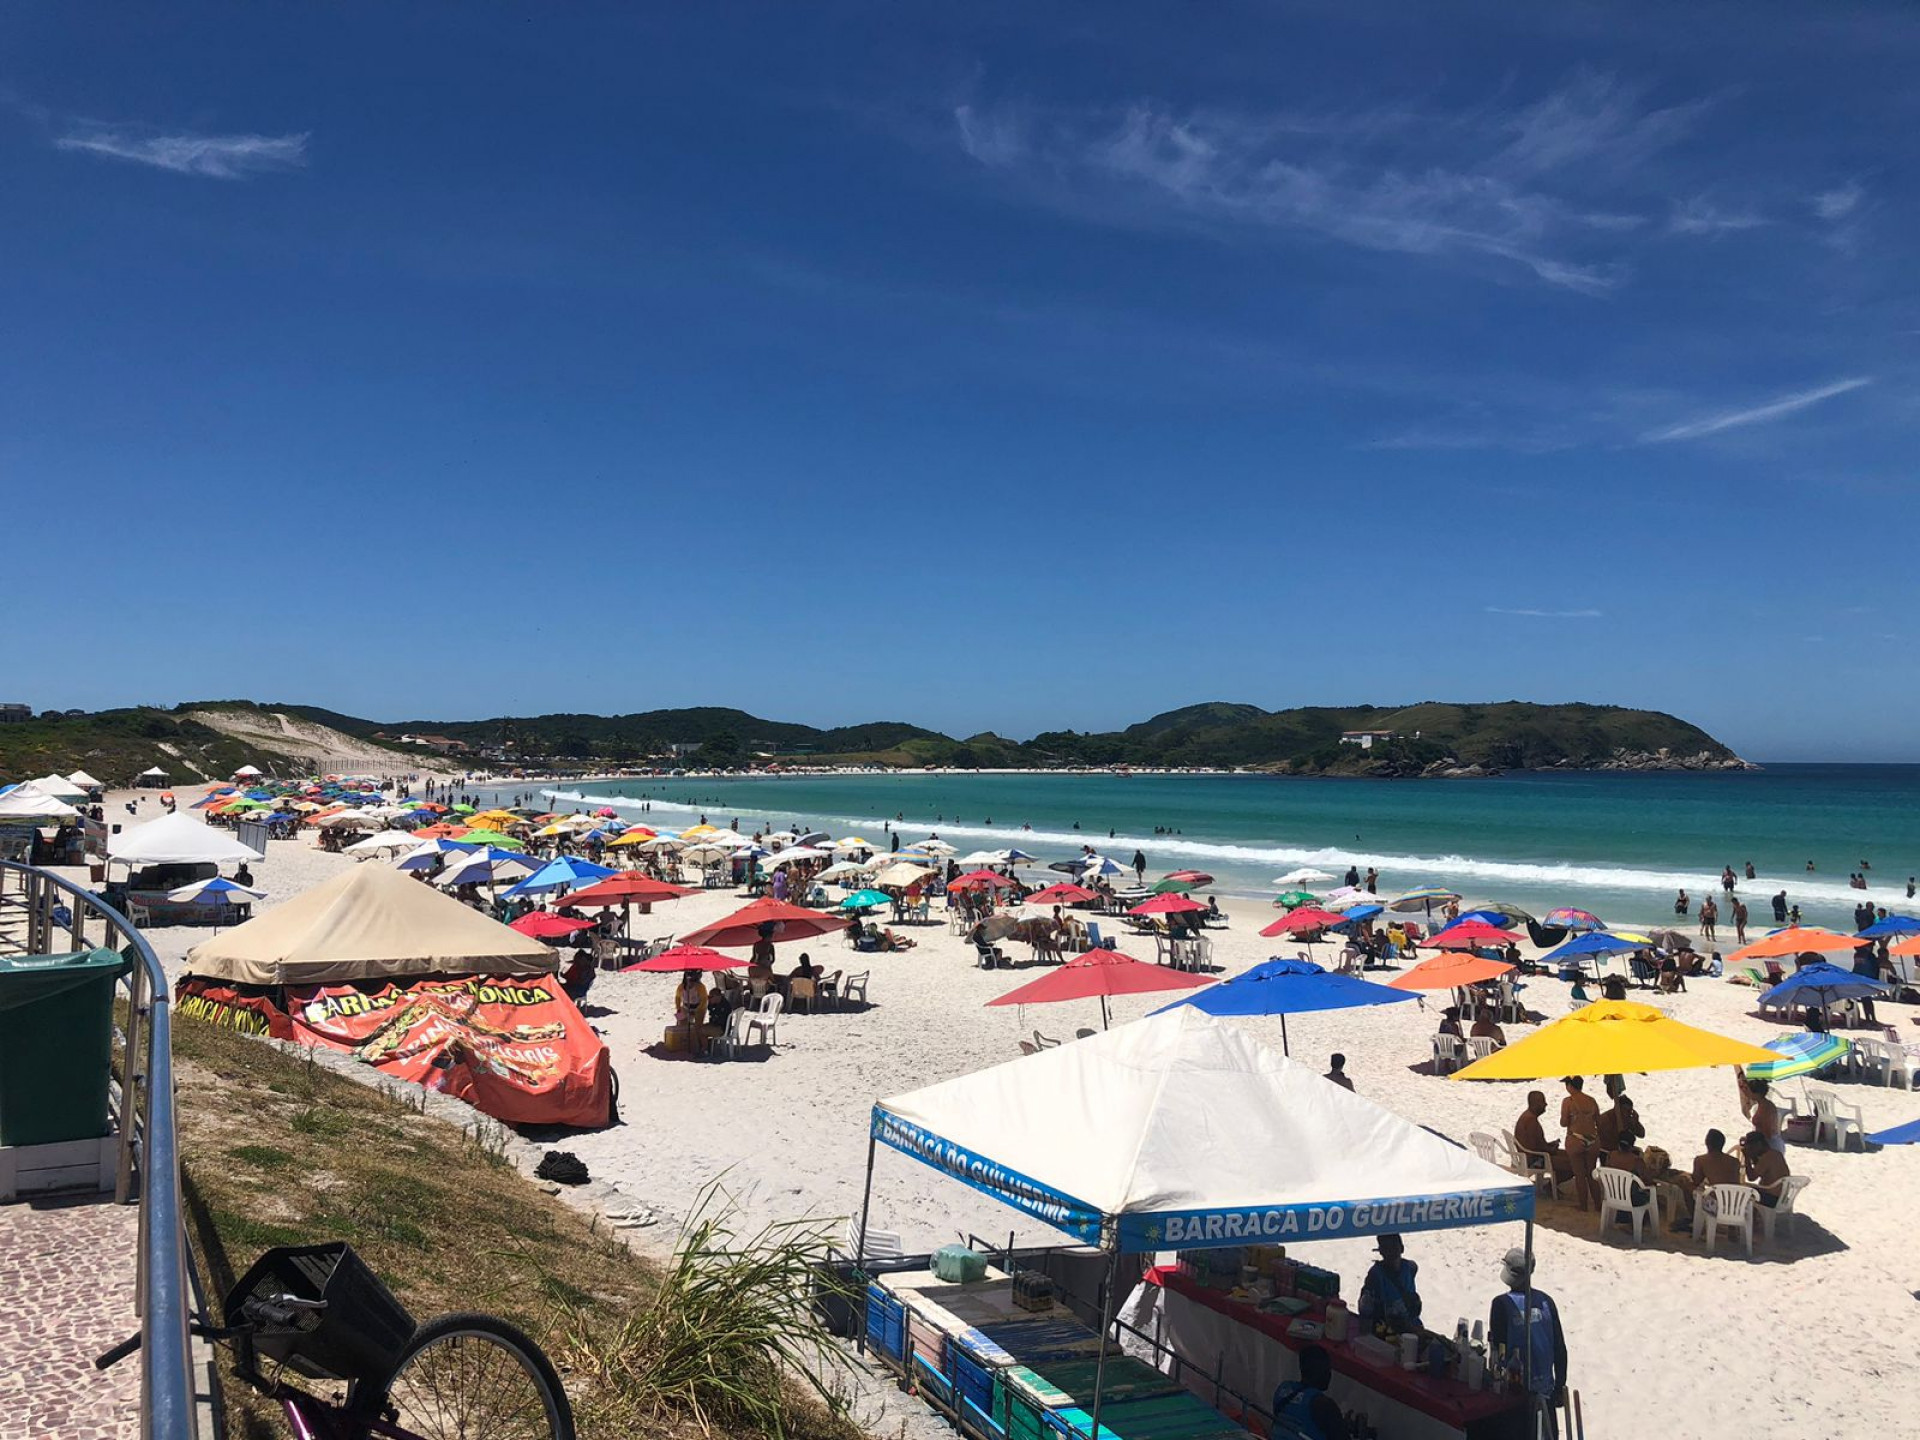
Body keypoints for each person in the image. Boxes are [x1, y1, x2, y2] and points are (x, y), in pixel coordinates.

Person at [1488, 1249, 1568, 1434]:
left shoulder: (1501, 1304)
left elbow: (1498, 1349)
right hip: (1546, 1390)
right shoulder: (1546, 1301)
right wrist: (1560, 1385)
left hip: (1517, 1393)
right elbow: (1559, 1348)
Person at [1270, 1344, 1347, 1440]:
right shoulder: (1323, 1405)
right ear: (1322, 1372)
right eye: (1328, 1369)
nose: (1330, 1375)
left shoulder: (1283, 1390)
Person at [1355, 1234, 1422, 1335]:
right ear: (1381, 1251)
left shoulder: (1410, 1268)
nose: (1390, 1252)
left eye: (1393, 1247)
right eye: (1386, 1248)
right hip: (1387, 1332)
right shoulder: (1376, 1274)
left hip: (1412, 1328)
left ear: (1401, 1249)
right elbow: (1365, 1309)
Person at [1514, 1091, 1574, 1187]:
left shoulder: (1528, 1117)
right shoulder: (1530, 1121)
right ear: (1534, 1103)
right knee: (1575, 1164)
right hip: (1535, 1159)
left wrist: (1551, 1145)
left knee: (1570, 1155)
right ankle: (1550, 1186)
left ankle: (1551, 1186)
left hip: (1532, 1155)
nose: (1545, 1104)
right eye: (1542, 1102)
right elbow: (1538, 1147)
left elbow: (1537, 1143)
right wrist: (1551, 1149)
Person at [1560, 1076, 1601, 1210]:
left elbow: (1564, 1122)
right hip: (1593, 1139)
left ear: (1570, 1086)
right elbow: (1598, 1121)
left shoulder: (1568, 1101)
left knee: (1579, 1174)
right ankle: (1598, 1204)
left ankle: (1583, 1205)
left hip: (1576, 1139)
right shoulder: (1591, 1100)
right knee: (1591, 1173)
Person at [1741, 1131, 1792, 1206]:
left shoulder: (1767, 1158)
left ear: (1759, 1144)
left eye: (1752, 1148)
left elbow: (1751, 1177)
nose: (1751, 1150)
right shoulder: (1777, 1153)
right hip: (1782, 1197)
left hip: (1771, 1198)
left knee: (1740, 1192)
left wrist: (1747, 1157)